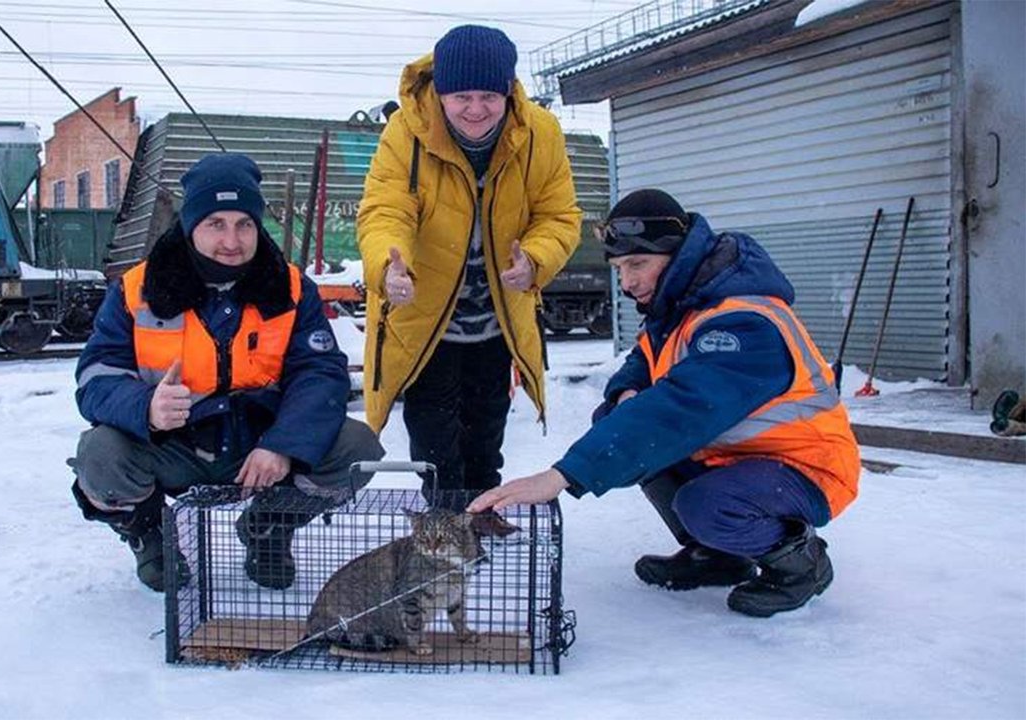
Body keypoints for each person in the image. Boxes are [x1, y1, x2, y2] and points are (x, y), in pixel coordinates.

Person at [468, 189, 860, 618]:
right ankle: (718, 555)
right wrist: (625, 393)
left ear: (678, 255)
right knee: (621, 419)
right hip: (737, 460)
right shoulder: (680, 308)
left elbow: (678, 411)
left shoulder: (743, 322)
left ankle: (800, 563)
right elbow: (640, 360)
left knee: (701, 499)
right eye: (619, 268)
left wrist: (565, 475)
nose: (628, 281)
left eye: (638, 265)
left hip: (806, 466)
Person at [69, 153, 384, 592]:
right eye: (216, 223)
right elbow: (95, 378)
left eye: (244, 223)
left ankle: (268, 528)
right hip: (172, 446)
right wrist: (147, 407)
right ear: (190, 225)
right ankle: (150, 535)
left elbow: (320, 374)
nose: (232, 240)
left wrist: (283, 444)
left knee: (357, 446)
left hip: (257, 450)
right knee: (100, 453)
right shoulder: (135, 289)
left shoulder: (290, 288)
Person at [357, 24, 582, 509]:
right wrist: (388, 265)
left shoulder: (540, 133)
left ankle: (480, 514)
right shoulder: (406, 132)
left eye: (488, 96)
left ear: (508, 92)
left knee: (486, 430)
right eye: (461, 96)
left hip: (498, 318)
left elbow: (559, 215)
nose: (475, 109)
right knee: (434, 437)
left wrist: (537, 260)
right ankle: (446, 519)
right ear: (439, 93)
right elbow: (385, 211)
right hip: (426, 319)